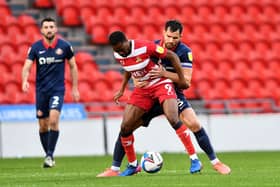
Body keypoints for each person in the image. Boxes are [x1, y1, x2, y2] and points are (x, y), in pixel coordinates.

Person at [97, 20, 231, 177]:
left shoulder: (184, 52)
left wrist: (164, 74)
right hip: (150, 94)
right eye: (169, 36)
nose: (171, 40)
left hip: (173, 92)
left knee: (193, 123)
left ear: (181, 36)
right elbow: (133, 65)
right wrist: (134, 81)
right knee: (127, 127)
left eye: (175, 38)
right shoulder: (152, 46)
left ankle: (216, 163)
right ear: (163, 33)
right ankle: (116, 168)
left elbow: (185, 82)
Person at [104, 30, 202, 176]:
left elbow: (172, 55)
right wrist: (122, 89)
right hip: (143, 90)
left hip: (160, 84)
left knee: (173, 118)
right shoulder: (118, 53)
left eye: (122, 49)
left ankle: (194, 159)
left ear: (126, 41)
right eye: (117, 50)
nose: (121, 53)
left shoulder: (144, 46)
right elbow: (128, 68)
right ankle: (133, 166)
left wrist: (181, 79)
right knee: (125, 127)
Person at [21, 17, 80, 168]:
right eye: (46, 27)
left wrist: (74, 88)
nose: (49, 29)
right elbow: (26, 66)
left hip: (57, 90)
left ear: (56, 29)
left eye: (51, 27)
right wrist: (24, 80)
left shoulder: (65, 46)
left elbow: (73, 66)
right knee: (42, 125)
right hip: (41, 91)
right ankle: (49, 156)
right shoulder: (35, 47)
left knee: (53, 121)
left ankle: (49, 155)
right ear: (41, 30)